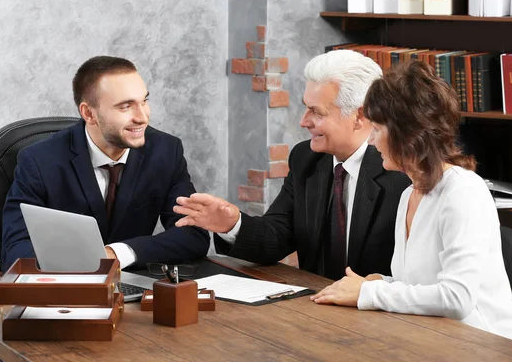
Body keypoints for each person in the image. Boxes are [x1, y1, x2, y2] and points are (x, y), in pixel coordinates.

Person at [310, 60, 512, 345]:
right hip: (440, 343)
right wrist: (376, 282)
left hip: (492, 348)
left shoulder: (463, 191)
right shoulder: (410, 194)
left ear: (407, 134)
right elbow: (423, 287)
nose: (372, 140)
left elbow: (456, 298)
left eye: (378, 129)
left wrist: (369, 294)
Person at [174, 50, 411, 279]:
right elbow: (276, 238)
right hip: (315, 307)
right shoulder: (306, 158)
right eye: (306, 107)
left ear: (360, 116)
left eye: (317, 112)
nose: (303, 121)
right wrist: (232, 224)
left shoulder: (402, 173)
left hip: (379, 312)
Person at [1, 56, 210, 271]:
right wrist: (83, 263)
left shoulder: (166, 151)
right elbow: (16, 252)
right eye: (126, 106)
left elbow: (193, 234)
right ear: (89, 113)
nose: (142, 117)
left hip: (134, 291)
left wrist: (119, 253)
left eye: (144, 101)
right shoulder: (39, 161)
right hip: (66, 291)